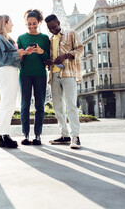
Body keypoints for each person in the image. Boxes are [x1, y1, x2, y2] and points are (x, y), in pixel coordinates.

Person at [44, 14, 83, 149]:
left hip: (68, 74)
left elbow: (80, 49)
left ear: (59, 23)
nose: (52, 30)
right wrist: (49, 62)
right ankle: (64, 135)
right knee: (58, 107)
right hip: (54, 75)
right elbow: (50, 57)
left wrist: (66, 56)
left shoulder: (70, 33)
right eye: (49, 29)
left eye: (54, 27)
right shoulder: (50, 40)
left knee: (71, 105)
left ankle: (75, 137)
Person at [0, 15, 26, 148]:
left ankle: (4, 135)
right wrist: (18, 54)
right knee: (7, 103)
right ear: (5, 23)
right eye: (11, 22)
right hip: (6, 70)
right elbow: (0, 58)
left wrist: (22, 53)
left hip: (11, 71)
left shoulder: (8, 39)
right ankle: (3, 135)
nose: (13, 24)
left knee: (10, 104)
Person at [17, 9, 50, 146]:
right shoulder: (21, 38)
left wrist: (41, 51)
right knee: (25, 105)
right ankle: (25, 134)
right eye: (29, 24)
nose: (31, 26)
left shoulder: (44, 38)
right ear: (25, 23)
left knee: (39, 106)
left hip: (40, 75)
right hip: (24, 74)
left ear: (39, 22)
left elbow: (48, 59)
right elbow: (17, 60)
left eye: (34, 23)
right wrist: (23, 53)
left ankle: (37, 135)